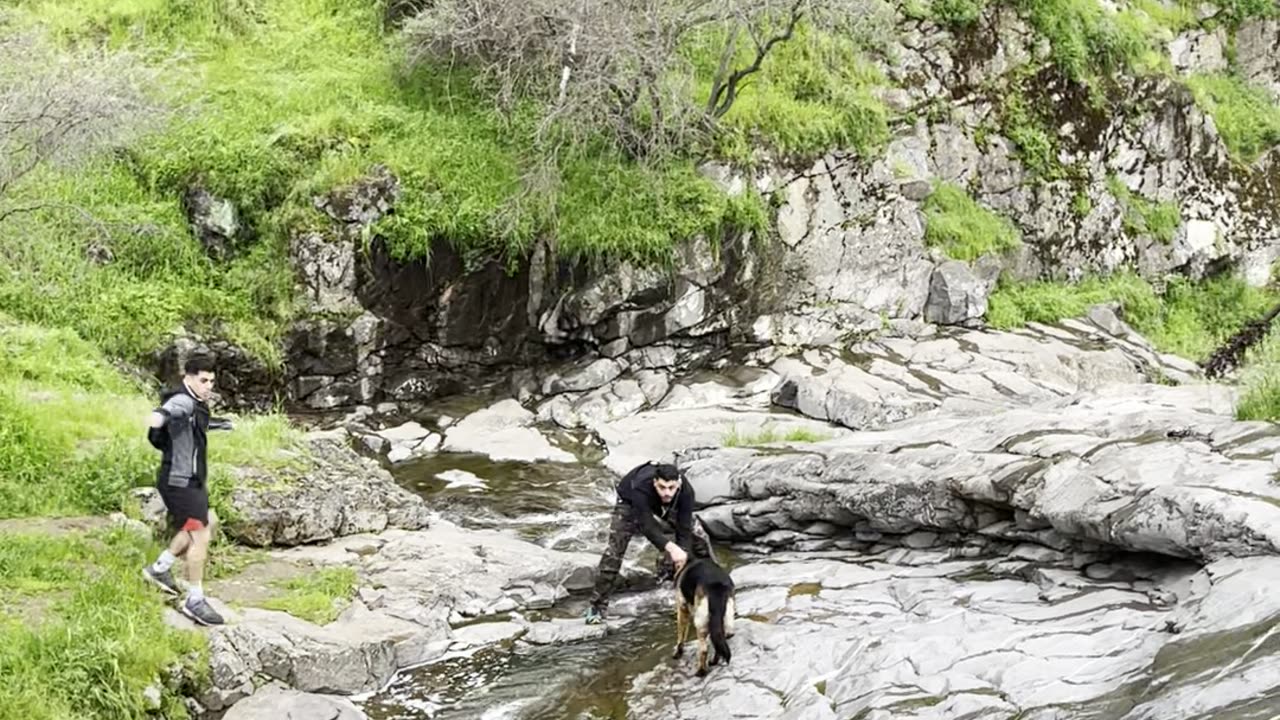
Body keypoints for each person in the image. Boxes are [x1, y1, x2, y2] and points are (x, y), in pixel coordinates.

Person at [140, 353, 232, 626]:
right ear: (188, 378)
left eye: (212, 381)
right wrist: (157, 417)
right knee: (200, 535)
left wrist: (223, 424)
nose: (208, 386)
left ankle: (159, 569)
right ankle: (195, 599)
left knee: (207, 522)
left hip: (191, 481)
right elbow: (169, 410)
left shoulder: (198, 405)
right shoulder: (184, 401)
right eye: (203, 380)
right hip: (179, 483)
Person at [584, 460, 713, 625]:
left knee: (699, 538)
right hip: (630, 502)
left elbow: (684, 528)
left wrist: (683, 555)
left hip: (665, 507)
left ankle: (713, 588)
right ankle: (597, 606)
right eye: (662, 487)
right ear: (654, 483)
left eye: (671, 488)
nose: (666, 492)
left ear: (678, 484)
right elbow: (647, 526)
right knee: (614, 552)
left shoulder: (686, 491)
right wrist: (672, 548)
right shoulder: (640, 486)